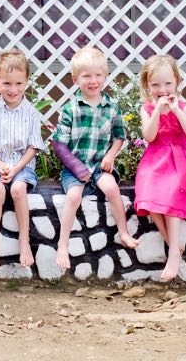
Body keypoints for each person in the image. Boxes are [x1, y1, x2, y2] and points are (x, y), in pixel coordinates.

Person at [53, 47, 139, 270]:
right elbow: (59, 144)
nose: (93, 81)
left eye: (98, 75)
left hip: (100, 165)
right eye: (86, 76)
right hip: (75, 167)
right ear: (75, 79)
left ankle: (123, 232)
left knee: (112, 189)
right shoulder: (70, 109)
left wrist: (110, 155)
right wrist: (77, 168)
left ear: (105, 76)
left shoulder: (112, 108)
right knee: (74, 196)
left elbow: (119, 136)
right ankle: (62, 244)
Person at [134, 54, 186, 281]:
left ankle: (174, 255)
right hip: (157, 158)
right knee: (147, 195)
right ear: (147, 85)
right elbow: (149, 136)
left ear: (177, 82)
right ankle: (172, 243)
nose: (162, 90)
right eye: (156, 85)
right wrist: (157, 112)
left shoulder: (183, 106)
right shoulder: (147, 108)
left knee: (170, 195)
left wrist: (176, 110)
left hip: (181, 159)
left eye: (168, 83)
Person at [0, 49, 45, 269]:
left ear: (26, 81)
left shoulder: (31, 113)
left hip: (22, 166)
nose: (13, 89)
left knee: (17, 190)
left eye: (18, 83)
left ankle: (24, 241)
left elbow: (34, 146)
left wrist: (15, 169)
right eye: (6, 83)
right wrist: (0, 164)